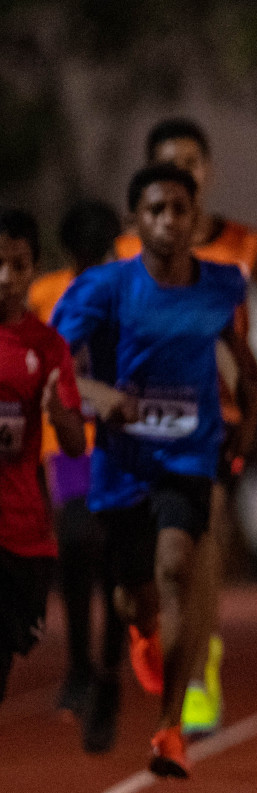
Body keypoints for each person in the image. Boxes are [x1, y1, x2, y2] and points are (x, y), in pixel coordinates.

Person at [53, 163, 257, 778]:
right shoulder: (103, 289)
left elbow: (241, 360)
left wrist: (249, 421)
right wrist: (99, 395)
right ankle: (144, 635)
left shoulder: (221, 285)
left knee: (177, 567)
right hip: (122, 462)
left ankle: (170, 727)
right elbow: (55, 365)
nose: (170, 220)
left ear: (196, 217)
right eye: (156, 210)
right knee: (132, 599)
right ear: (134, 222)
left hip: (189, 455)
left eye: (180, 208)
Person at [117, 117, 257, 739]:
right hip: (139, 427)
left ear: (208, 171)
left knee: (198, 547)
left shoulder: (242, 245)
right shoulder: (124, 254)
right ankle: (155, 630)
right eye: (170, 162)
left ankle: (199, 669)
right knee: (144, 573)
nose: (186, 172)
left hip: (216, 418)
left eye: (194, 163)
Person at [28, 199, 125, 752]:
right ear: (69, 258)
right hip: (67, 444)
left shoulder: (131, 292)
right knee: (77, 543)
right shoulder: (46, 297)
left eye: (103, 255)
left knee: (118, 566)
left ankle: (106, 674)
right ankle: (79, 667)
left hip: (122, 441)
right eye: (86, 258)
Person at [0, 209, 86, 707]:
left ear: (34, 269)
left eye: (18, 266)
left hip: (22, 535)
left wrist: (58, 410)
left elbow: (74, 444)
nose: (5, 279)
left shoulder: (48, 347)